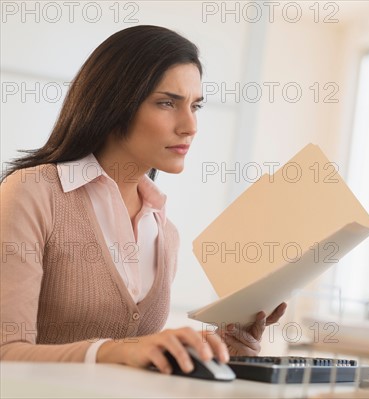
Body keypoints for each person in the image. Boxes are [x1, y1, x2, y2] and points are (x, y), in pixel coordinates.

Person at [0, 25, 286, 375]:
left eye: (195, 106)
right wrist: (115, 351)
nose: (190, 125)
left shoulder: (165, 233)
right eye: (167, 103)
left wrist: (229, 348)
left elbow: (138, 360)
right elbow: (6, 353)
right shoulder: (33, 193)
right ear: (114, 104)